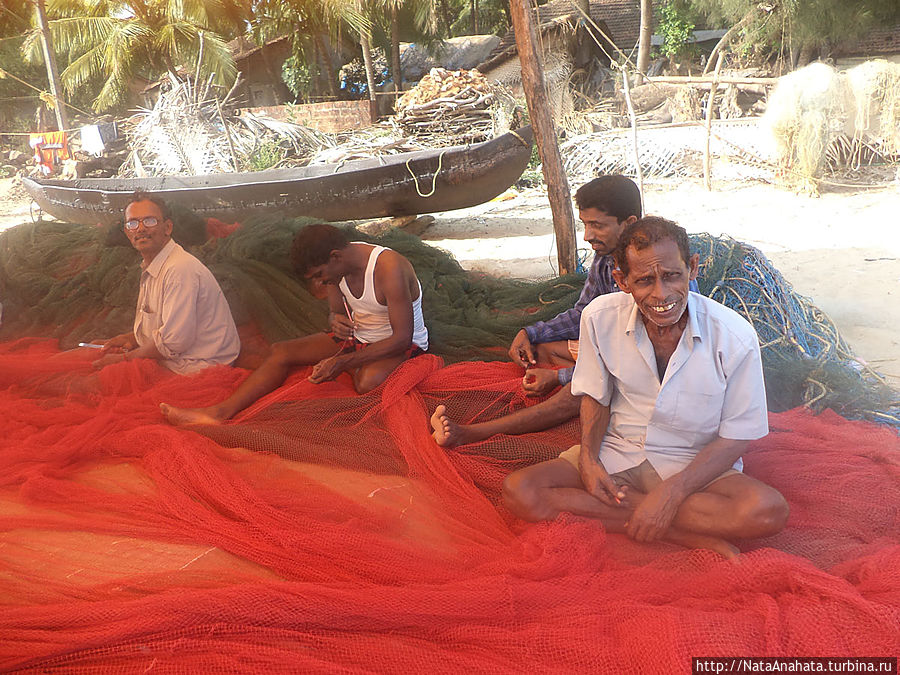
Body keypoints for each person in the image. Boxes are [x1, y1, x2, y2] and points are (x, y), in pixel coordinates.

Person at [502, 217, 788, 558]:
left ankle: (641, 514)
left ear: (692, 267)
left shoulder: (735, 336)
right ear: (621, 281)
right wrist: (590, 461)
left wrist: (671, 494)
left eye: (672, 276)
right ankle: (685, 533)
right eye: (644, 281)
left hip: (690, 463)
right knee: (519, 491)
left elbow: (738, 435)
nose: (661, 294)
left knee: (767, 510)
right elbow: (595, 394)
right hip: (618, 448)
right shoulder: (599, 317)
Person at [431, 175, 642, 446]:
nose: (588, 236)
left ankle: (470, 434)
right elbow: (582, 312)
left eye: (597, 225)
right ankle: (586, 391)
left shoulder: (646, 268)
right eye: (585, 224)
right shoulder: (605, 259)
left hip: (636, 362)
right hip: (612, 350)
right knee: (543, 350)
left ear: (630, 223)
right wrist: (530, 332)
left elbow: (633, 350)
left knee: (579, 391)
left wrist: (559, 377)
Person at [162, 223, 428, 425]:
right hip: (358, 339)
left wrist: (343, 362)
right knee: (280, 351)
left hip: (399, 344)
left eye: (319, 275)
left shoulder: (388, 268)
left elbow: (402, 338)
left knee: (367, 383)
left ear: (335, 257)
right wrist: (335, 322)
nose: (320, 283)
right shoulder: (337, 271)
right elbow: (335, 314)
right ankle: (219, 412)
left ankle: (357, 368)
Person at [92, 193, 240, 374]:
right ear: (126, 232)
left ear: (168, 227)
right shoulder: (154, 265)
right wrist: (128, 339)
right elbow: (162, 329)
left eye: (149, 221)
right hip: (177, 360)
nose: (140, 229)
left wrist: (123, 359)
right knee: (89, 362)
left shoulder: (179, 269)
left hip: (198, 368)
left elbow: (174, 342)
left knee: (92, 384)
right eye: (133, 223)